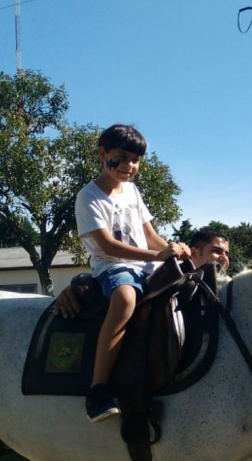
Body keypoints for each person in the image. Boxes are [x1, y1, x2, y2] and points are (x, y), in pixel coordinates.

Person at [54, 228, 238, 461]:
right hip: (174, 421)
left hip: (211, 423)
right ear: (193, 252)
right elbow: (114, 280)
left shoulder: (223, 298)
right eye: (216, 251)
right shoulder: (167, 283)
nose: (223, 258)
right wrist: (79, 285)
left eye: (225, 252)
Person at [74, 123, 190, 423]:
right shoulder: (88, 197)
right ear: (103, 154)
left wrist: (173, 254)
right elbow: (108, 246)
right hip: (113, 267)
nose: (130, 166)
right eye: (122, 158)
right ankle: (97, 389)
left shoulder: (132, 191)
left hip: (146, 264)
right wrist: (158, 255)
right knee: (125, 298)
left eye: (135, 160)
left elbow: (149, 235)